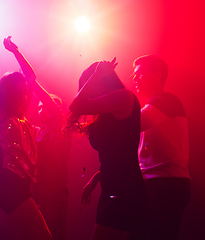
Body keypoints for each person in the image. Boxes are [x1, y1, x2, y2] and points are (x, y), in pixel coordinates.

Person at [0, 13, 52, 240]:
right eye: (19, 92)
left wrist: (16, 52)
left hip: (19, 184)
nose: (24, 96)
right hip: (6, 182)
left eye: (24, 93)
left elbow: (31, 77)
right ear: (8, 92)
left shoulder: (20, 116)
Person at [68, 58, 146, 240]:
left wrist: (96, 74)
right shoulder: (107, 112)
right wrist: (97, 177)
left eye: (89, 86)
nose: (87, 95)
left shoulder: (124, 97)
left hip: (126, 190)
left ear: (102, 80)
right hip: (113, 189)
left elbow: (76, 106)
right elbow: (116, 153)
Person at [132, 55, 191, 240]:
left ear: (157, 76)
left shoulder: (165, 101)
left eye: (140, 74)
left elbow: (132, 125)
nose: (134, 79)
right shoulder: (153, 105)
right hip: (159, 183)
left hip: (165, 183)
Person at [30, 82, 72, 239]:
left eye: (45, 106)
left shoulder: (62, 127)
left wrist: (31, 81)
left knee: (53, 234)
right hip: (37, 193)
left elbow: (52, 107)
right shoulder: (38, 132)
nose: (42, 110)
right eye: (39, 107)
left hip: (54, 193)